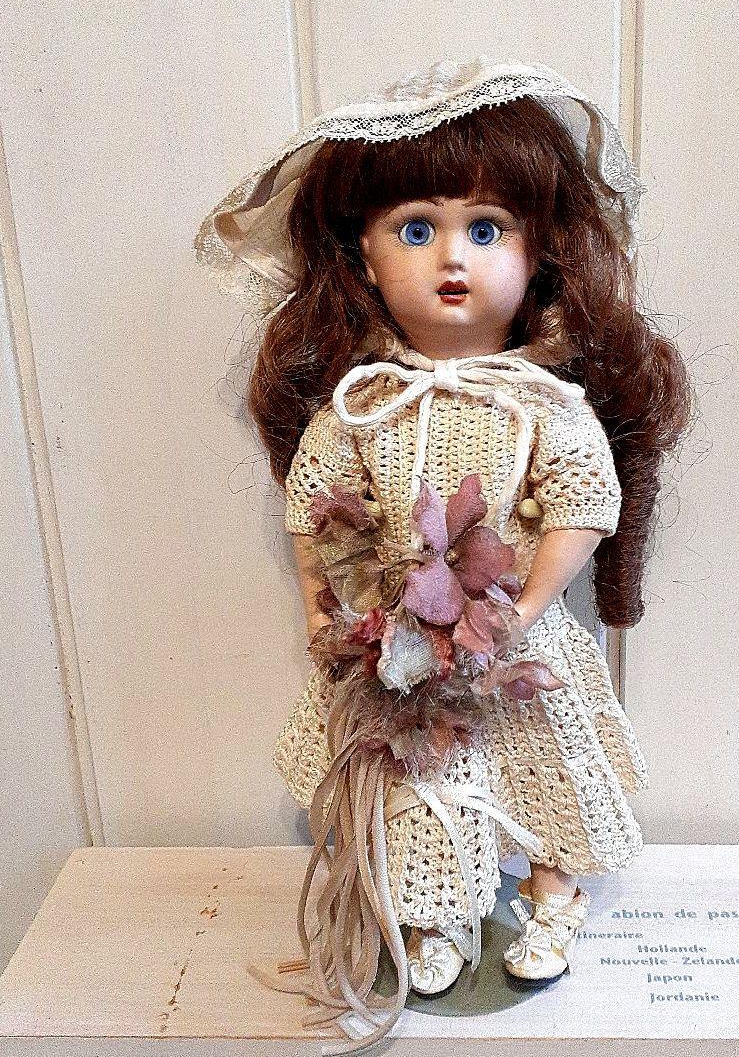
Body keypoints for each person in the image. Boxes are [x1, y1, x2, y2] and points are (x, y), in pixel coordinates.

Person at [194, 56, 692, 1054]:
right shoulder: (363, 403)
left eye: (486, 228)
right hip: (397, 647)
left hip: (516, 645)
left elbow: (581, 505)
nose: (451, 258)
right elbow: (318, 510)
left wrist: (520, 607)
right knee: (411, 775)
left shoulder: (543, 405)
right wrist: (323, 601)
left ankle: (551, 895)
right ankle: (430, 914)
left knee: (542, 771)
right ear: (363, 256)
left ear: (539, 251)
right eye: (415, 230)